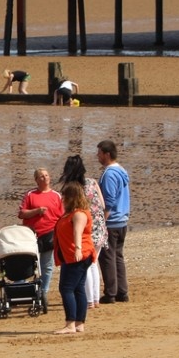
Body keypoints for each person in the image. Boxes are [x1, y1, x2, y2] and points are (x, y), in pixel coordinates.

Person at [56, 154, 106, 308]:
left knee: (86, 265)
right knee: (93, 263)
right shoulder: (92, 182)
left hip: (82, 226)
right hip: (98, 225)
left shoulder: (71, 187)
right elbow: (103, 205)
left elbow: (65, 208)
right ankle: (95, 298)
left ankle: (89, 300)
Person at [53, 181, 95, 334]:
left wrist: (77, 249)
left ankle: (70, 323)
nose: (62, 198)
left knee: (66, 288)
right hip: (69, 256)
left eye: (65, 195)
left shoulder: (79, 214)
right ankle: (78, 323)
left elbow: (78, 232)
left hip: (78, 255)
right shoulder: (70, 213)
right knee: (78, 288)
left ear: (72, 197)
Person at [18, 168, 62, 310]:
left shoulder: (56, 196)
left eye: (46, 175)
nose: (44, 178)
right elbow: (22, 214)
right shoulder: (31, 195)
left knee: (47, 265)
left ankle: (43, 292)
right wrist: (36, 211)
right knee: (28, 264)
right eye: (41, 176)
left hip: (50, 233)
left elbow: (62, 216)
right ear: (36, 180)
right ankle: (23, 290)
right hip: (31, 234)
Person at [96, 140, 131, 303]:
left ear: (107, 154)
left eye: (99, 153)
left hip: (113, 221)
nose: (98, 156)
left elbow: (109, 200)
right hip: (122, 220)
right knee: (117, 256)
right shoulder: (121, 170)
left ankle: (111, 292)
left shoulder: (109, 174)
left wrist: (103, 220)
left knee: (107, 256)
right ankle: (121, 291)